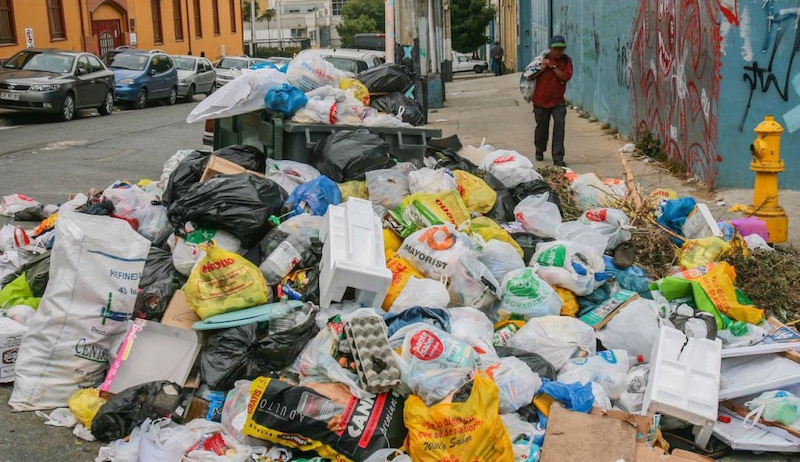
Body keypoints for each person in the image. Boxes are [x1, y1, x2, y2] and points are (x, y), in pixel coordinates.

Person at [527, 35, 573, 166]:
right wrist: (541, 68)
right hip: (540, 100)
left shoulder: (566, 61)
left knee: (559, 127)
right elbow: (529, 76)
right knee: (542, 128)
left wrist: (552, 67)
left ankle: (558, 157)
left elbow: (564, 77)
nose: (558, 52)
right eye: (555, 49)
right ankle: (539, 149)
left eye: (561, 49)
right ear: (550, 48)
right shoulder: (541, 59)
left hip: (558, 101)